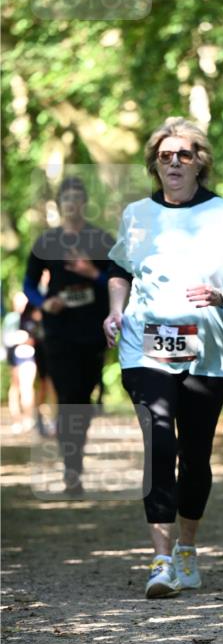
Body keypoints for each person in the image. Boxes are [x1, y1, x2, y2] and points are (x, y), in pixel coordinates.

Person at [104, 117, 223, 599]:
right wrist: (114, 312)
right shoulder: (136, 214)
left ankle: (187, 549)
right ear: (155, 163)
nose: (174, 162)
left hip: (208, 353)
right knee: (159, 443)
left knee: (195, 456)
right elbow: (118, 271)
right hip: (144, 348)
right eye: (165, 155)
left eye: (184, 154)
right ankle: (161, 559)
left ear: (199, 163)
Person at [23, 177, 112, 493]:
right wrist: (44, 302)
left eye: (78, 197)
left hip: (92, 332)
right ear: (60, 204)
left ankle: (76, 459)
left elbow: (119, 281)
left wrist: (93, 274)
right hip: (58, 334)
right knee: (68, 398)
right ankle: (71, 468)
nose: (72, 204)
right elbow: (29, 285)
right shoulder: (46, 242)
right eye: (67, 199)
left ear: (85, 202)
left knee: (83, 401)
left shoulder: (100, 239)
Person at [2, 291, 37, 433]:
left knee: (27, 387)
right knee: (15, 387)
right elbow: (5, 339)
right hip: (14, 357)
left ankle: (28, 419)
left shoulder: (31, 317)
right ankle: (17, 420)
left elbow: (37, 335)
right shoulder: (11, 319)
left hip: (28, 356)